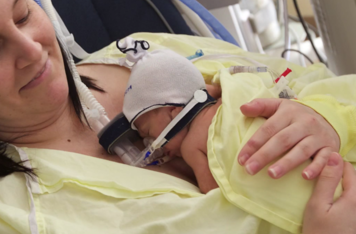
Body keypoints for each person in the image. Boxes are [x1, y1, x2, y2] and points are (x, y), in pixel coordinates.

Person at [0, 0, 355, 233]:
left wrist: (325, 114)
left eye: (23, 15)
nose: (32, 50)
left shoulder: (143, 52)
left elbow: (315, 81)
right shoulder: (19, 216)